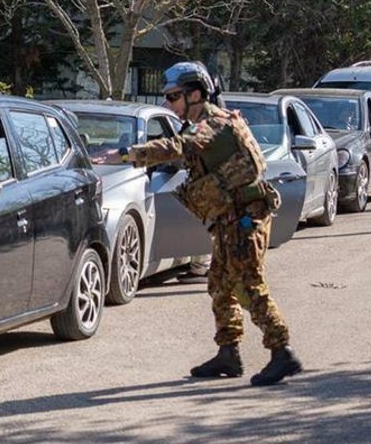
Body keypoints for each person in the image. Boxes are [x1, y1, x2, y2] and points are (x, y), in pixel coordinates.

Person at [127, 61, 301, 386]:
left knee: (248, 284)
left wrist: (130, 154)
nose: (168, 103)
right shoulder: (203, 123)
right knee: (220, 283)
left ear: (195, 94)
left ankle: (282, 351)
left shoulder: (213, 123)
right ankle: (229, 353)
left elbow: (178, 147)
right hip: (228, 218)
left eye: (174, 96)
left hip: (244, 218)